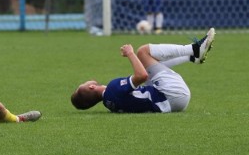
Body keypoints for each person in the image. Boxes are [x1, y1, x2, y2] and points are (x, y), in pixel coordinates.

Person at [70, 28, 215, 114]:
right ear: (91, 86)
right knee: (143, 52)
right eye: (82, 84)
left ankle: (192, 57)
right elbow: (142, 76)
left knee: (147, 64)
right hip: (172, 95)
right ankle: (194, 49)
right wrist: (130, 53)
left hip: (171, 103)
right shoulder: (112, 89)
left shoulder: (108, 103)